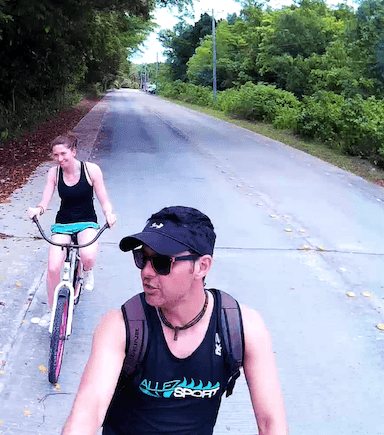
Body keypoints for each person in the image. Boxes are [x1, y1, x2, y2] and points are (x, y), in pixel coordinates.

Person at [62, 206, 287, 435]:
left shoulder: (240, 327)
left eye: (161, 262)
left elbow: (271, 423)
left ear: (202, 266)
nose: (146, 272)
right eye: (142, 258)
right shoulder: (122, 326)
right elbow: (87, 414)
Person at [26, 132, 116, 327]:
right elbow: (44, 202)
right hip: (63, 223)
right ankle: (52, 312)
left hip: (86, 222)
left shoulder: (91, 170)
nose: (60, 159)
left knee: (88, 255)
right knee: (53, 267)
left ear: (73, 151)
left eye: (63, 153)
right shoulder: (54, 173)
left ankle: (86, 271)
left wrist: (109, 213)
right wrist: (37, 210)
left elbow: (103, 198)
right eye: (56, 155)